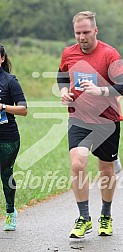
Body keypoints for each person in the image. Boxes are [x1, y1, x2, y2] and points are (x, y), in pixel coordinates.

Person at [57, 11, 123, 238]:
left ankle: (106, 216)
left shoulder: (109, 54)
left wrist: (101, 90)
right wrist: (64, 91)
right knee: (78, 164)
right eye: (78, 33)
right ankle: (83, 217)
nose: (82, 37)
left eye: (86, 32)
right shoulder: (68, 53)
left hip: (106, 121)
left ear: (95, 31)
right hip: (78, 118)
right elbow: (61, 75)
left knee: (106, 169)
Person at [0, 43, 27, 231]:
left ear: (1, 59)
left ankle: (10, 213)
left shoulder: (10, 81)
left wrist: (3, 107)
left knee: (5, 173)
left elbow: (24, 109)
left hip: (7, 137)